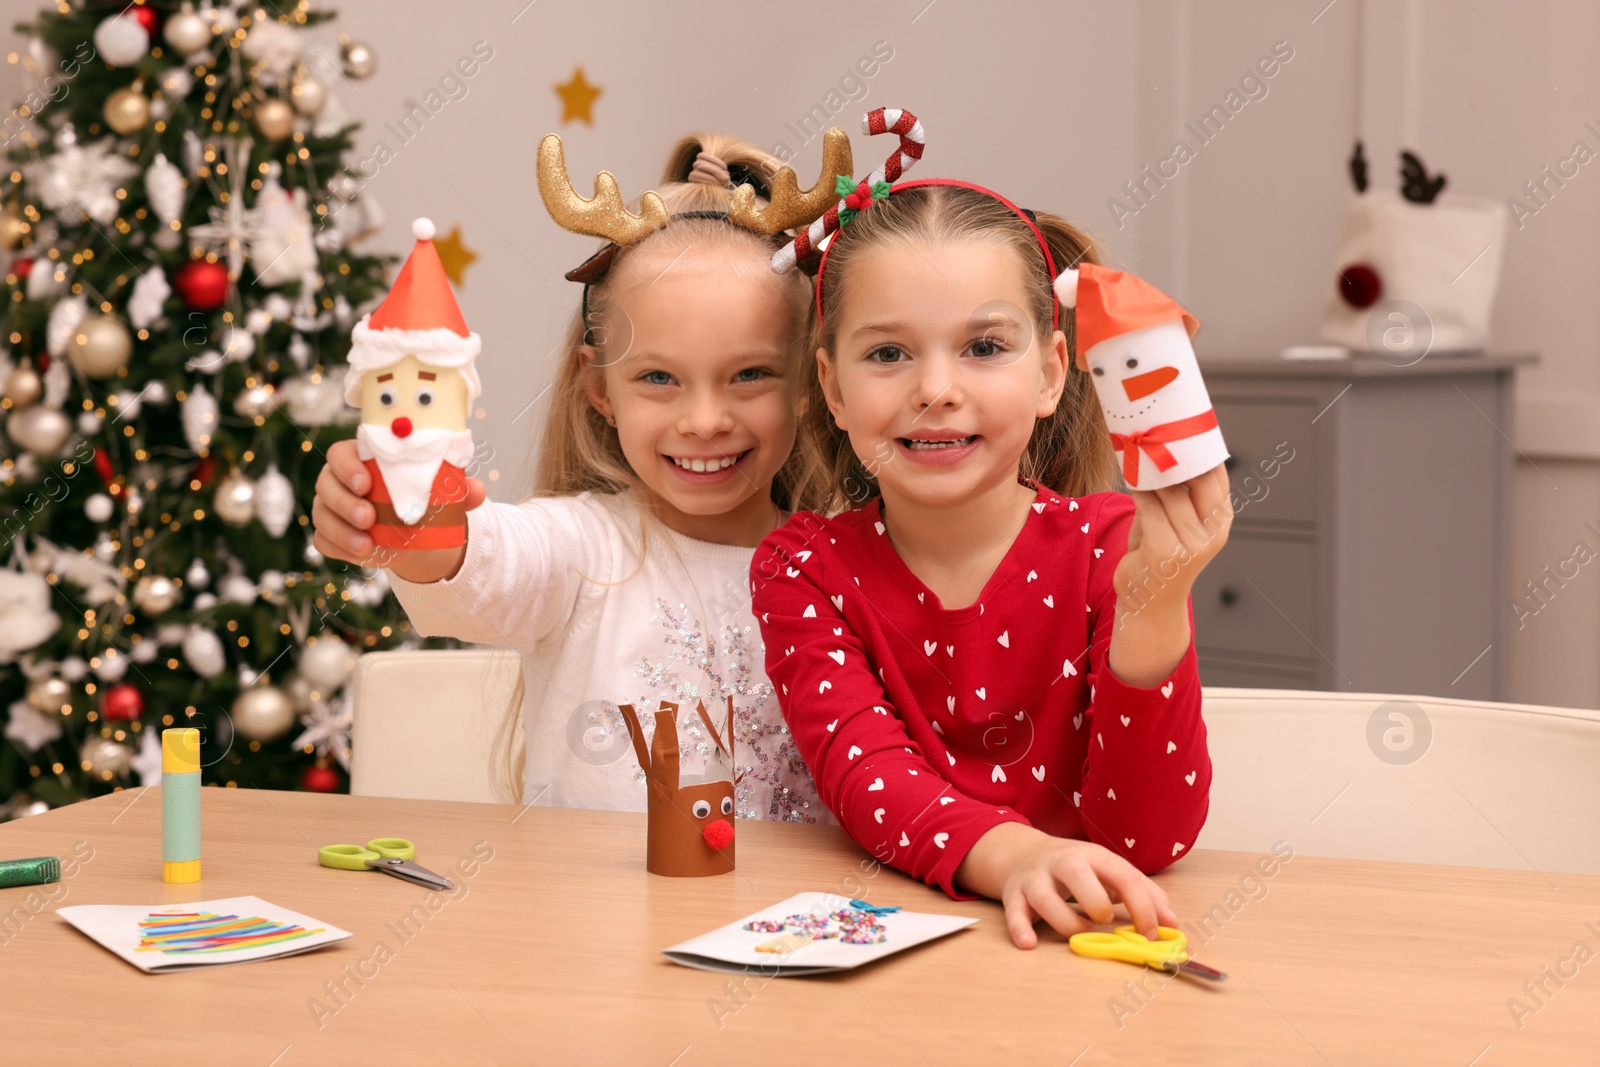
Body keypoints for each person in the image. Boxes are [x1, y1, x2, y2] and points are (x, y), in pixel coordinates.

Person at [751, 177, 1231, 947]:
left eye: (983, 347)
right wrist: (1016, 856)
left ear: (1050, 373)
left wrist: (1154, 608)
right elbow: (865, 777)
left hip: (1081, 952)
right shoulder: (804, 570)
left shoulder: (1111, 546)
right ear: (833, 389)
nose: (936, 389)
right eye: (887, 353)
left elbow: (1146, 841)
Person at [313, 132, 845, 822]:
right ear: (600, 390)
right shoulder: (578, 551)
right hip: (594, 929)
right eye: (659, 377)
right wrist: (390, 504)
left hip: (793, 927)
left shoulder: (848, 565)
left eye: (750, 374)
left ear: (808, 383)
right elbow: (467, 553)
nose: (706, 419)